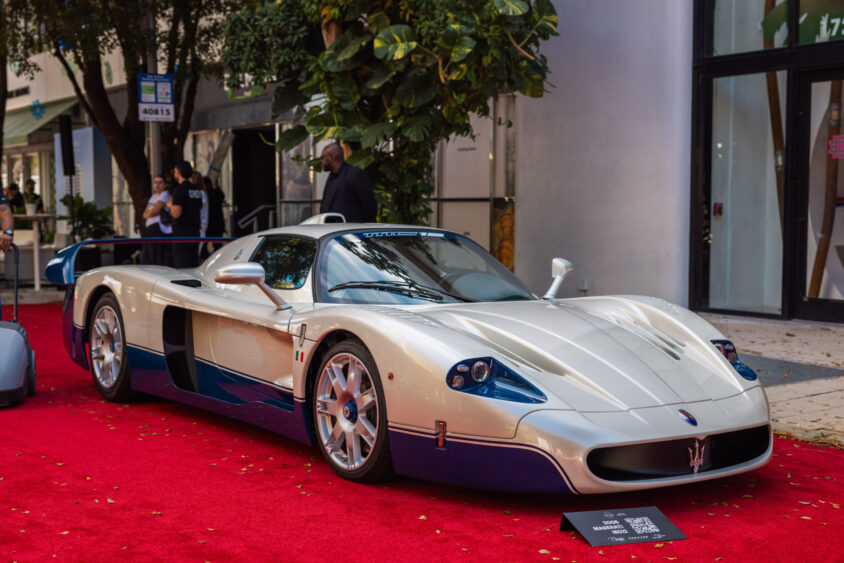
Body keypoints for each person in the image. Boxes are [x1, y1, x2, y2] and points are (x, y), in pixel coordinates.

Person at [319, 142, 377, 222]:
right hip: (331, 231)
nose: (321, 161)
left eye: (322, 157)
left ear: (332, 157)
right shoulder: (332, 176)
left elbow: (369, 207)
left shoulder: (355, 174)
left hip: (350, 230)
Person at [166, 161, 203, 268]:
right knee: (193, 263)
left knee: (183, 266)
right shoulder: (196, 189)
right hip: (195, 231)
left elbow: (176, 214)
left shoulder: (179, 190)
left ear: (178, 172)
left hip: (182, 233)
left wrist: (170, 206)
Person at [140, 174, 172, 265]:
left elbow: (154, 211)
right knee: (146, 257)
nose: (157, 185)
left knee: (155, 256)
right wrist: (150, 213)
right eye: (155, 182)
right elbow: (144, 214)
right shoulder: (153, 196)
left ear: (165, 184)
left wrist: (151, 213)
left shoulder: (165, 194)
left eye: (160, 182)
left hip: (158, 228)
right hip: (150, 228)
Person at [204, 176, 226, 250]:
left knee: (204, 245)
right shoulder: (217, 192)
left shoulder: (206, 195)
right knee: (218, 245)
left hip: (209, 224)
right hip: (217, 223)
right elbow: (222, 196)